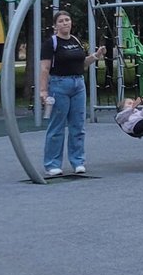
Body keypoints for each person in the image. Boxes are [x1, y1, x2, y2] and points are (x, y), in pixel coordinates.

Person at [38, 11, 105, 177]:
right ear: (55, 26)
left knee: (78, 125)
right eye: (61, 21)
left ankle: (78, 161)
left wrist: (95, 56)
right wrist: (43, 90)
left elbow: (81, 63)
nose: (65, 23)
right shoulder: (51, 43)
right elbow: (45, 68)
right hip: (59, 84)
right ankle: (52, 164)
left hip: (78, 84)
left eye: (67, 20)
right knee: (57, 125)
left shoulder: (75, 41)